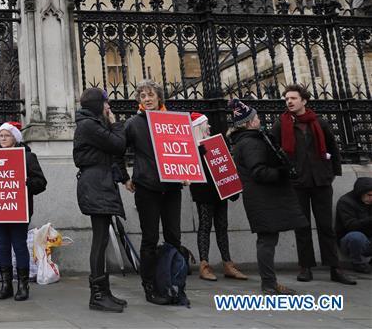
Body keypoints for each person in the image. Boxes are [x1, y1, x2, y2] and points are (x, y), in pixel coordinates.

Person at [270, 84, 355, 285]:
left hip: (321, 181)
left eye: (293, 98)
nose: (289, 102)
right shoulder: (281, 124)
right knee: (302, 226)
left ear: (304, 101)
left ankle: (335, 268)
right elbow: (273, 149)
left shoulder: (319, 123)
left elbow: (333, 148)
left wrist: (332, 173)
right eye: (287, 99)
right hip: (297, 182)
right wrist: (283, 173)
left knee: (326, 226)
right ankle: (305, 267)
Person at [228, 97, 307, 295]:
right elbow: (259, 171)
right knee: (267, 241)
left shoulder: (247, 141)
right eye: (255, 118)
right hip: (263, 198)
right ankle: (269, 284)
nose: (259, 120)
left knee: (268, 240)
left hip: (262, 198)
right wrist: (282, 173)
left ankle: (270, 282)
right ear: (249, 122)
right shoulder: (250, 142)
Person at [119, 79, 183, 305]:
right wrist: (124, 177)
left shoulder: (174, 121)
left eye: (151, 95)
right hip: (147, 186)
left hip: (173, 186)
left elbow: (185, 150)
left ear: (159, 98)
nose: (147, 99)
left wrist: (188, 173)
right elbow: (118, 151)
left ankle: (175, 278)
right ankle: (149, 285)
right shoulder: (133, 124)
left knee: (174, 236)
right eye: (143, 96)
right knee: (150, 238)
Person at [73, 88, 128, 313]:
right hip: (96, 184)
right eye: (106, 103)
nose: (108, 108)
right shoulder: (88, 125)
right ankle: (97, 295)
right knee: (100, 239)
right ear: (97, 104)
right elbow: (117, 145)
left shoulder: (92, 123)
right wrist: (115, 123)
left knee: (103, 238)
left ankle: (104, 292)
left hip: (99, 183)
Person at [188, 112, 247, 282]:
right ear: (199, 127)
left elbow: (225, 166)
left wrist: (232, 189)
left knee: (222, 226)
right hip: (203, 192)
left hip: (220, 191)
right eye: (206, 124)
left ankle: (228, 264)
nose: (210, 127)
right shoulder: (194, 147)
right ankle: (204, 264)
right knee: (205, 226)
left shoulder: (215, 144)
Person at [0, 121, 46, 302]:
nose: (2, 139)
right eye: (0, 135)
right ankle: (6, 284)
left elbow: (41, 183)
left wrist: (25, 184)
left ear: (15, 137)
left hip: (19, 210)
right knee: (2, 246)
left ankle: (23, 285)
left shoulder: (27, 157)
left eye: (6, 135)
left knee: (19, 246)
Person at [335, 176, 372, 274]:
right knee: (356, 236)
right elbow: (351, 226)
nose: (371, 198)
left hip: (368, 238)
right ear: (360, 193)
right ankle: (358, 263)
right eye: (369, 195)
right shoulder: (345, 202)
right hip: (349, 240)